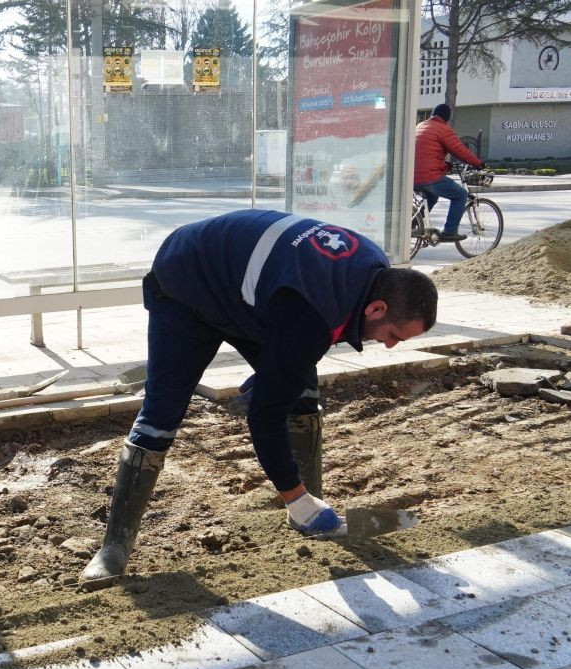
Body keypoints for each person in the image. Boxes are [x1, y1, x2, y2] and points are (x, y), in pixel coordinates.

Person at [80, 209, 437, 590]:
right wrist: (271, 395)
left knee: (301, 391)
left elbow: (291, 346)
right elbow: (264, 417)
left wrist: (273, 377)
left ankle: (310, 506)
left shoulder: (373, 275)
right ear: (376, 308)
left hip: (254, 294)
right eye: (394, 334)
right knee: (161, 416)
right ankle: (113, 548)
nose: (389, 345)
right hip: (187, 282)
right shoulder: (313, 312)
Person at [414, 103, 483, 241]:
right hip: (429, 176)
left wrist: (445, 165)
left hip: (412, 176)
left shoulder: (420, 126)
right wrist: (479, 163)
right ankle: (450, 231)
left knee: (432, 197)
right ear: (446, 118)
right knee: (460, 194)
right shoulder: (443, 129)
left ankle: (413, 224)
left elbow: (426, 153)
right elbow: (460, 150)